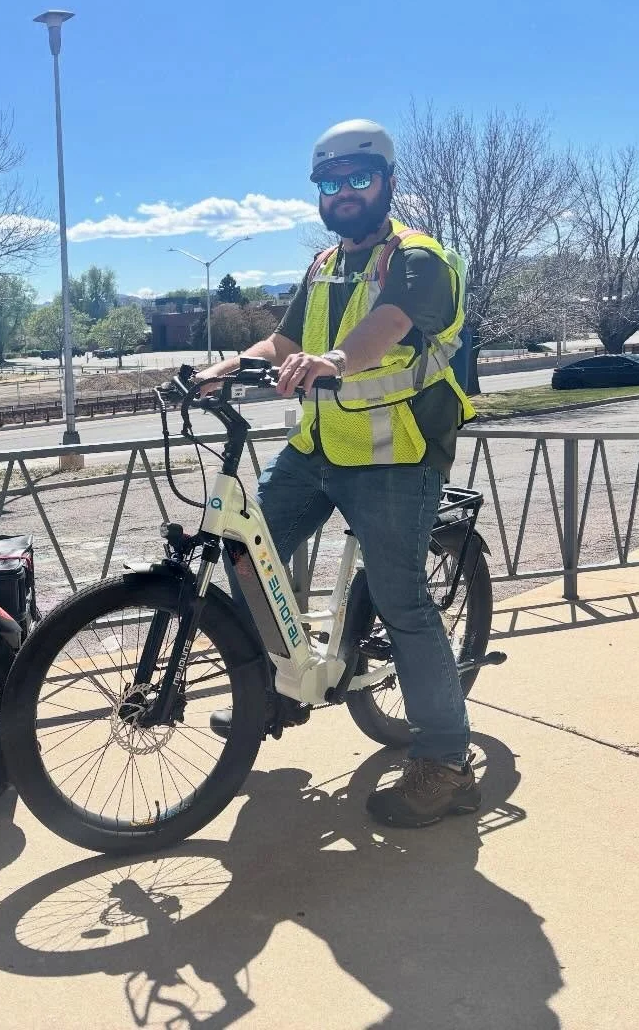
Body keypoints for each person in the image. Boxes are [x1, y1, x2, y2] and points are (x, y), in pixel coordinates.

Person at [198, 119, 479, 828]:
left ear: (386, 182)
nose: (345, 192)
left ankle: (447, 763)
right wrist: (225, 367)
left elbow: (383, 327)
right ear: (318, 192)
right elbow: (284, 339)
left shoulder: (418, 259)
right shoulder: (325, 264)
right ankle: (278, 689)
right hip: (318, 449)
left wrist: (334, 362)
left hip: (394, 455)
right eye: (331, 182)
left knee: (402, 602)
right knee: (242, 557)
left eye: (360, 179)